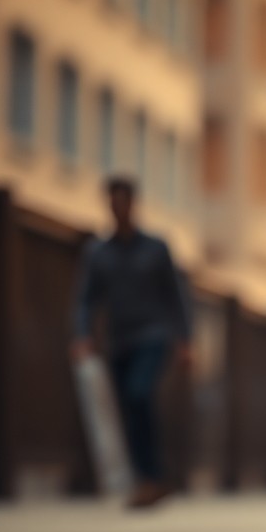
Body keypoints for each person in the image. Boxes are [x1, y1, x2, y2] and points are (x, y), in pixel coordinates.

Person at [72, 177, 193, 509]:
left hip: (153, 336)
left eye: (122, 201)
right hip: (118, 341)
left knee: (139, 394)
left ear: (133, 204)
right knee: (128, 407)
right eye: (112, 202)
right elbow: (86, 299)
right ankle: (147, 479)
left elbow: (176, 296)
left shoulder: (156, 248)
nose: (118, 208)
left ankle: (152, 475)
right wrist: (82, 335)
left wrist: (185, 340)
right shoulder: (98, 252)